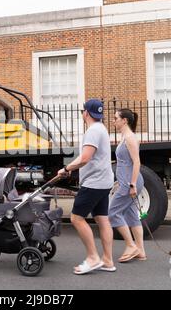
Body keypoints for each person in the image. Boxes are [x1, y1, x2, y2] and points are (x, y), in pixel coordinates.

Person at [57, 99, 115, 275]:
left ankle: (92, 257)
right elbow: (85, 156)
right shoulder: (101, 128)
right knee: (102, 219)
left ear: (86, 113)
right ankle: (107, 260)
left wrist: (67, 168)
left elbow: (85, 158)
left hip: (94, 183)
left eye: (83, 111)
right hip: (104, 181)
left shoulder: (92, 131)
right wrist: (68, 169)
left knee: (76, 218)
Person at [109, 109, 147, 263]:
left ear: (124, 120)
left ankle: (131, 245)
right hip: (126, 182)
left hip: (130, 183)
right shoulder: (124, 137)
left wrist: (132, 184)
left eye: (115, 118)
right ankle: (141, 252)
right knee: (131, 215)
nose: (113, 120)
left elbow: (136, 162)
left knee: (112, 213)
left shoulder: (130, 138)